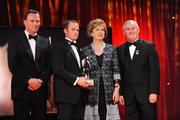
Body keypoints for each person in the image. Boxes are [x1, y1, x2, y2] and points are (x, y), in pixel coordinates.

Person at [7, 9, 52, 120]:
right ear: (24, 22)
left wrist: (40, 81)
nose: (36, 24)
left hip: (40, 91)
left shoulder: (46, 42)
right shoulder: (15, 40)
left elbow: (50, 65)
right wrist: (29, 80)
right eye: (32, 21)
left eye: (38, 21)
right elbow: (13, 65)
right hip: (21, 90)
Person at [117, 20, 160, 120]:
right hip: (129, 96)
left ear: (138, 30)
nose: (130, 31)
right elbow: (121, 73)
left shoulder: (149, 47)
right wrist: (121, 93)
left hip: (146, 95)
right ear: (124, 32)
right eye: (128, 29)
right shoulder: (119, 50)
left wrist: (153, 92)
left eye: (133, 28)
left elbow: (154, 71)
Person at [82, 18, 121, 120]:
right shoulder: (84, 50)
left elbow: (116, 70)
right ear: (91, 33)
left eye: (102, 30)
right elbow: (84, 73)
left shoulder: (111, 49)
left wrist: (117, 89)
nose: (100, 32)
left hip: (109, 91)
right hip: (91, 92)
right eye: (97, 29)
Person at [52, 20, 91, 120]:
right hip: (65, 96)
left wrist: (86, 81)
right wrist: (78, 80)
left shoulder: (79, 49)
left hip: (80, 96)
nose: (76, 32)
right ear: (65, 30)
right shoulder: (58, 46)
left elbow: (82, 70)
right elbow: (58, 69)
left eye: (77, 30)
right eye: (73, 29)